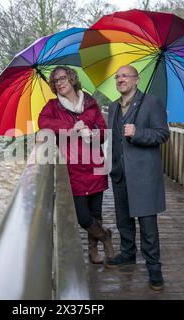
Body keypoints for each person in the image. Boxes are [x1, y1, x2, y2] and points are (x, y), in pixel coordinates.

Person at [38, 66, 114, 264]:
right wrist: (71, 128)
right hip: (74, 170)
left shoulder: (90, 103)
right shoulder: (53, 107)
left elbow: (104, 132)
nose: (59, 83)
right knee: (82, 216)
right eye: (55, 81)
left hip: (96, 166)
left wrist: (92, 132)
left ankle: (93, 250)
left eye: (62, 78)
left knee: (96, 213)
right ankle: (105, 236)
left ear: (72, 79)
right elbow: (43, 123)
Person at [105, 65, 169, 291]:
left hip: (143, 175)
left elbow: (163, 134)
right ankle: (127, 254)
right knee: (123, 220)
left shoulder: (152, 103)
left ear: (137, 79)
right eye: (117, 77)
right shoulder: (113, 107)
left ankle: (154, 270)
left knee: (147, 225)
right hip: (120, 174)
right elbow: (112, 139)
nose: (120, 79)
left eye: (125, 76)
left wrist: (138, 133)